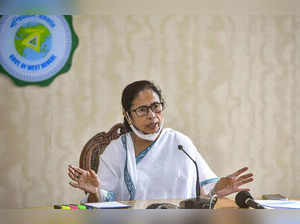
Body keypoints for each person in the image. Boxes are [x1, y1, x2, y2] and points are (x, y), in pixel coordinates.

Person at [68, 80, 253, 202]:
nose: (152, 116)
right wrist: (95, 192)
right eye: (142, 110)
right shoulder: (117, 150)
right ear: (128, 115)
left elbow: (204, 192)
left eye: (156, 107)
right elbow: (102, 203)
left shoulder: (180, 143)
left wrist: (220, 187)